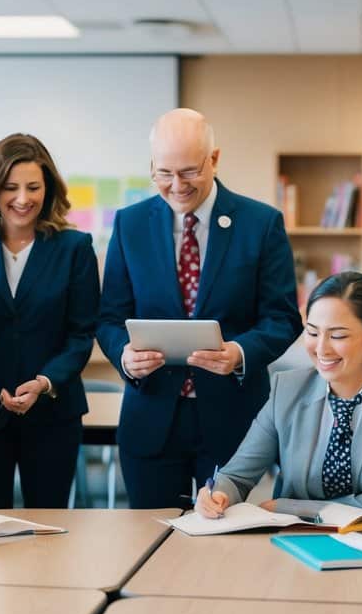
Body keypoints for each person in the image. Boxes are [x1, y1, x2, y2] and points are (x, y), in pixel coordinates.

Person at [98, 108, 302, 509]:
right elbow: (108, 318)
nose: (176, 186)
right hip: (151, 415)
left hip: (232, 419)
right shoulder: (130, 225)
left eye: (189, 172)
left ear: (215, 159)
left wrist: (239, 353)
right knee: (151, 545)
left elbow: (283, 318)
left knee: (226, 550)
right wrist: (124, 354)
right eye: (164, 173)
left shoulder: (260, 223)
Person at [195, 272, 362, 519]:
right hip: (291, 539)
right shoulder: (287, 388)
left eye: (337, 335)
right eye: (312, 332)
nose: (321, 348)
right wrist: (219, 494)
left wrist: (296, 508)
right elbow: (236, 476)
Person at [0, 134, 99, 508]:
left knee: (50, 528)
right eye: (10, 187)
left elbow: (81, 334)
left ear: (48, 188)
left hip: (53, 412)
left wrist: (43, 382)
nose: (23, 199)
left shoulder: (75, 248)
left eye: (33, 187)